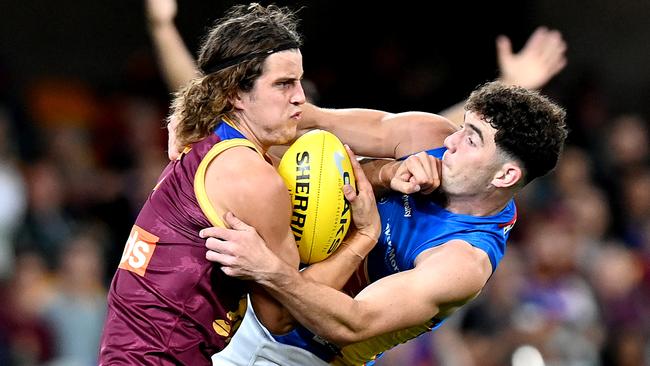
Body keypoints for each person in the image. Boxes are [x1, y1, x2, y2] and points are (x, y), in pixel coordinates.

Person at [202, 81, 569, 365]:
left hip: (288, 353)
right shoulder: (428, 136)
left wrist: (267, 268)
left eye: (472, 140)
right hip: (245, 302)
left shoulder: (462, 261)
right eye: (462, 127)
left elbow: (352, 323)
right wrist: (386, 172)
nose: (450, 140)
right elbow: (309, 122)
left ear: (504, 176)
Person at [99, 4, 385, 364]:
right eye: (283, 84)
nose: (300, 96)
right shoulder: (254, 179)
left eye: (299, 81)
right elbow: (279, 317)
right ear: (235, 93)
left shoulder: (212, 138)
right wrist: (363, 239)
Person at [144, 0, 567, 128]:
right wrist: (162, 26)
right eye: (282, 87)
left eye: (302, 91)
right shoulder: (233, 139)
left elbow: (422, 132)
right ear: (242, 99)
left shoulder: (326, 148)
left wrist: (509, 88)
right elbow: (195, 90)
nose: (296, 100)